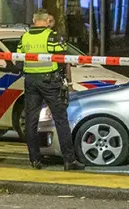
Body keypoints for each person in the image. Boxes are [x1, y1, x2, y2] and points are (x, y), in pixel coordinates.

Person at [17, 10, 84, 171]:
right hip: (50, 82)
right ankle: (69, 160)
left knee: (31, 121)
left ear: (34, 20)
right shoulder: (52, 36)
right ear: (47, 20)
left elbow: (18, 60)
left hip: (31, 81)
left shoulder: (24, 37)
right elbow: (63, 59)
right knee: (60, 120)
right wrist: (66, 81)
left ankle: (34, 159)